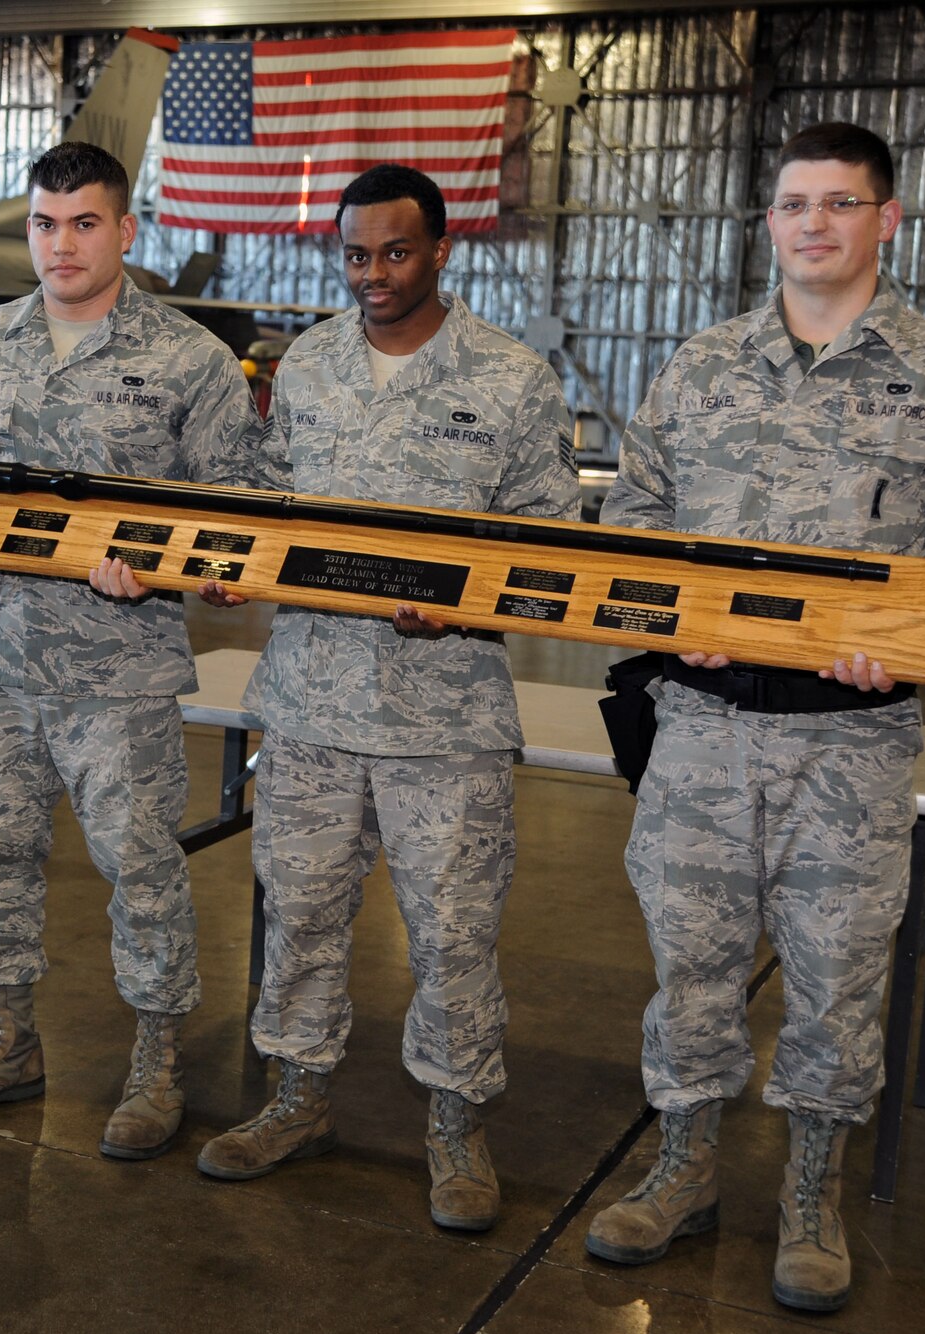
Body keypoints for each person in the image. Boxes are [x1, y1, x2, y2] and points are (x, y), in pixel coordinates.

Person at [585, 122, 925, 1312]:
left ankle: (809, 1196)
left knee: (832, 979)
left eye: (838, 203)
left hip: (850, 739)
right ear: (767, 222)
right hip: (701, 726)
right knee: (688, 964)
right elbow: (630, 519)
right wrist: (669, 620)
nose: (813, 223)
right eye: (792, 204)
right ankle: (680, 1172)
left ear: (886, 220)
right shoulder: (700, 362)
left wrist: (906, 647)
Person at [187, 165, 578, 1232]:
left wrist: (465, 604)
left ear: (440, 250)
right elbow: (267, 499)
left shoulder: (507, 376)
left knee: (452, 930)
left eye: (394, 253)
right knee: (299, 915)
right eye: (354, 255)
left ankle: (454, 1125)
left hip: (442, 715)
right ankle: (297, 1098)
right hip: (310, 704)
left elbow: (551, 547)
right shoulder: (305, 364)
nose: (371, 275)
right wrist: (228, 560)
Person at [0, 141, 260, 1162]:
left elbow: (233, 507)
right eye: (43, 224)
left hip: (117, 667)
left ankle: (156, 1065)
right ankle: (7, 1042)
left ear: (125, 229)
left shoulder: (188, 357)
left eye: (84, 223)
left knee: (139, 865)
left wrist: (160, 564)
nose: (60, 244)